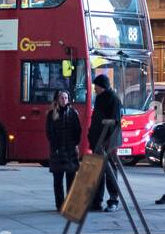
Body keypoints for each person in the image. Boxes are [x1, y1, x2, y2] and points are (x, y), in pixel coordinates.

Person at [87, 74, 122, 212]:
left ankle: (113, 200)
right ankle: (97, 201)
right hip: (98, 140)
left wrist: (106, 142)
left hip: (108, 142)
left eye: (97, 87)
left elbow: (115, 122)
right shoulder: (100, 98)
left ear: (103, 86)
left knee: (111, 171)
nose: (95, 89)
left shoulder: (113, 99)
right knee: (98, 172)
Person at [45, 89, 81, 210]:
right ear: (57, 100)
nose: (64, 100)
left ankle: (70, 203)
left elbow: (78, 131)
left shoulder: (73, 113)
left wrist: (75, 144)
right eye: (62, 98)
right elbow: (49, 133)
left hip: (70, 151)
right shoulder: (51, 114)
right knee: (58, 180)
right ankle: (60, 205)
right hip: (58, 151)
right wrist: (56, 147)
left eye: (66, 98)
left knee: (71, 180)